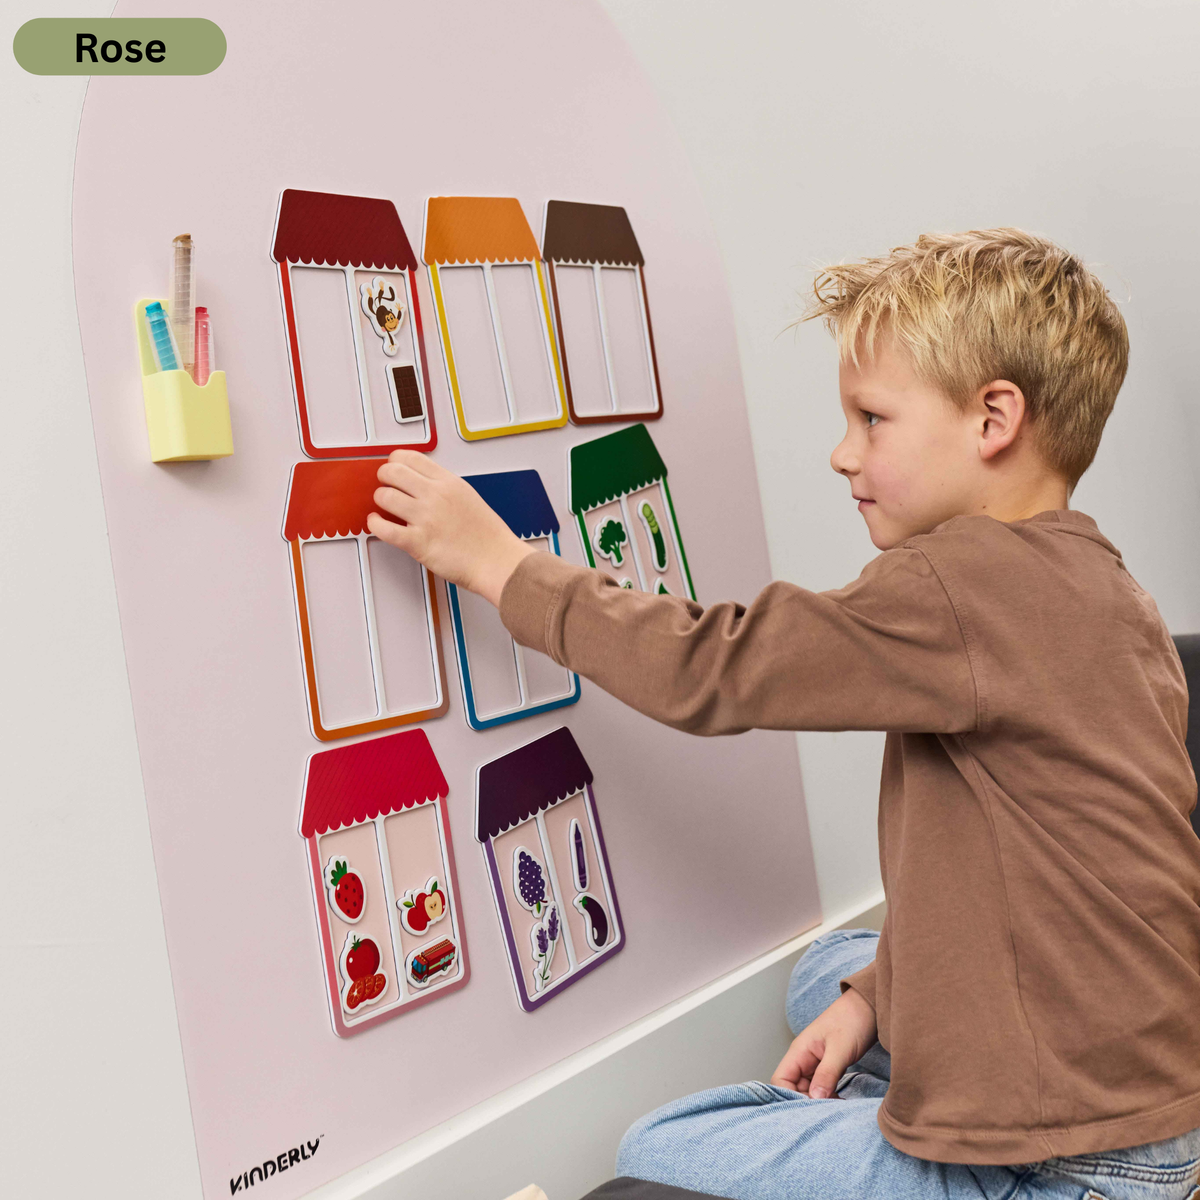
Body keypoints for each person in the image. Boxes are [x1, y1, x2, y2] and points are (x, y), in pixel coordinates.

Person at [367, 230, 1200, 1200]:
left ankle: (926, 1138)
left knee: (658, 1148)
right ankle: (892, 1079)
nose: (843, 454)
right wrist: (869, 1001)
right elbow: (1080, 878)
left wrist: (500, 563)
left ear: (993, 420)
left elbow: (714, 666)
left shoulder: (955, 583)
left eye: (873, 419)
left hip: (1068, 1162)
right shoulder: (1109, 589)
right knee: (827, 975)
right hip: (1158, 1081)